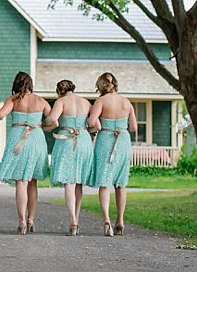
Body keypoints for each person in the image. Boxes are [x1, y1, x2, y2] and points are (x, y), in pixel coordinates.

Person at [0, 71, 53, 234]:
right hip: (36, 138)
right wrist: (43, 126)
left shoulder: (13, 100)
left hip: (18, 136)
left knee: (21, 181)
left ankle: (22, 222)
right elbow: (54, 120)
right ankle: (31, 219)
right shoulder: (40, 101)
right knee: (32, 181)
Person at [86, 72, 137, 237]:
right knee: (120, 184)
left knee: (104, 182)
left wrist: (93, 127)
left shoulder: (101, 101)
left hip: (106, 139)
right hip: (123, 140)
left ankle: (107, 219)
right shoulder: (126, 102)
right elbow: (134, 128)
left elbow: (92, 122)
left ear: (101, 85)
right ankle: (120, 220)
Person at [45, 79, 93, 236]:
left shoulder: (61, 101)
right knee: (78, 182)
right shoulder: (86, 102)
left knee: (69, 182)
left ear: (59, 91)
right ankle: (76, 219)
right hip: (84, 140)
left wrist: (48, 124)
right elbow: (96, 125)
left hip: (67, 139)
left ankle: (72, 220)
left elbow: (52, 119)